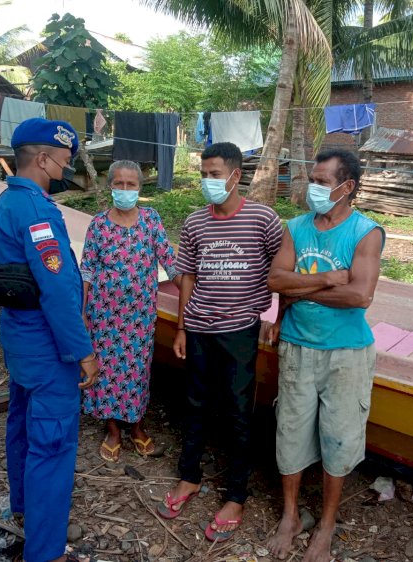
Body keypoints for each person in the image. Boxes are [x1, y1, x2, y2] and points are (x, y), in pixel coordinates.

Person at [158, 142, 283, 543]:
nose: (208, 181)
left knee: (237, 412)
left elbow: (283, 271)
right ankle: (189, 477)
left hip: (239, 331)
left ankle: (235, 495)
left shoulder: (263, 220)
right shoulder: (195, 223)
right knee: (193, 405)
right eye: (203, 173)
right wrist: (180, 327)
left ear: (235, 175)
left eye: (214, 174)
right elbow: (187, 277)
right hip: (198, 329)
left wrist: (275, 318)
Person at [266, 149, 385, 562]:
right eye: (312, 179)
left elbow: (360, 295)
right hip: (298, 347)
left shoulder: (366, 232)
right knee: (291, 434)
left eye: (320, 181)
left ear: (346, 186)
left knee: (339, 439)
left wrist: (302, 286)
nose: (311, 188)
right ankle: (291, 515)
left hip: (346, 355)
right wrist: (326, 279)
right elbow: (275, 281)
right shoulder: (294, 227)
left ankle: (328, 523)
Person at [0, 118, 98, 562]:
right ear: (42, 159)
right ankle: (46, 550)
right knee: (51, 444)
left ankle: (26, 512)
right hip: (47, 343)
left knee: (21, 426)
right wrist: (83, 351)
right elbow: (55, 289)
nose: (66, 166)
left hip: (19, 338)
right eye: (64, 159)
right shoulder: (36, 211)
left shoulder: (4, 203)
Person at [79, 160, 182, 462]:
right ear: (110, 185)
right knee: (107, 373)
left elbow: (169, 261)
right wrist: (82, 311)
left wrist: (194, 289)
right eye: (119, 184)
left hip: (139, 318)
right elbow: (87, 270)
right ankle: (112, 429)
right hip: (104, 316)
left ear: (140, 187)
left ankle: (136, 426)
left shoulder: (150, 220)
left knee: (137, 373)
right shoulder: (98, 224)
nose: (125, 190)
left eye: (131, 184)